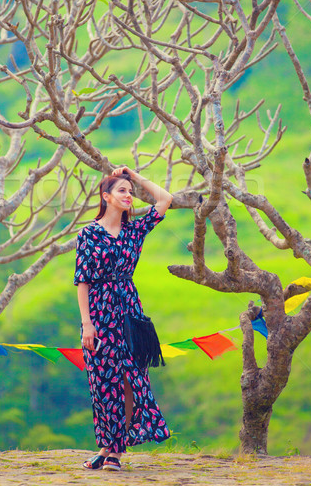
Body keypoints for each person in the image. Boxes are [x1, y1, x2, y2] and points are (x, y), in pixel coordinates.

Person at [74, 166, 173, 471]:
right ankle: (107, 445)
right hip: (99, 312)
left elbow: (164, 198)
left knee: (131, 377)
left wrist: (136, 177)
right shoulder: (88, 233)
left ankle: (116, 450)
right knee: (103, 379)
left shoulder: (133, 231)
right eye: (122, 190)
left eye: (130, 192)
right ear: (106, 197)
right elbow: (82, 280)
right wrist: (87, 323)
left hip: (129, 310)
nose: (128, 196)